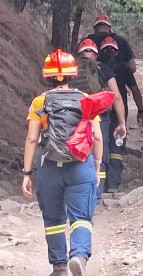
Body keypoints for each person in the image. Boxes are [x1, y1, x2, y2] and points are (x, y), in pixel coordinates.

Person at [22, 49, 103, 276]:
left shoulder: (40, 101)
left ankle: (59, 267)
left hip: (49, 168)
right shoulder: (86, 100)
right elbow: (97, 136)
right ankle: (78, 255)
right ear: (73, 75)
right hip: (81, 165)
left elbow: (31, 139)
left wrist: (27, 173)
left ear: (48, 76)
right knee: (82, 217)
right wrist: (96, 167)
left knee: (54, 218)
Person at [71, 38, 126, 203]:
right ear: (95, 54)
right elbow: (116, 96)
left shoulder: (71, 68)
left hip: (74, 115)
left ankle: (74, 191)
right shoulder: (104, 68)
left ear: (79, 53)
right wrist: (122, 122)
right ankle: (95, 194)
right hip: (99, 115)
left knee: (75, 150)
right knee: (99, 153)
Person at [98, 37, 143, 192]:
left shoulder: (97, 67)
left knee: (101, 144)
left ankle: (98, 184)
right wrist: (141, 110)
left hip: (100, 111)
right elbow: (135, 90)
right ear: (116, 51)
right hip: (120, 111)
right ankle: (113, 184)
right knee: (117, 146)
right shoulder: (124, 68)